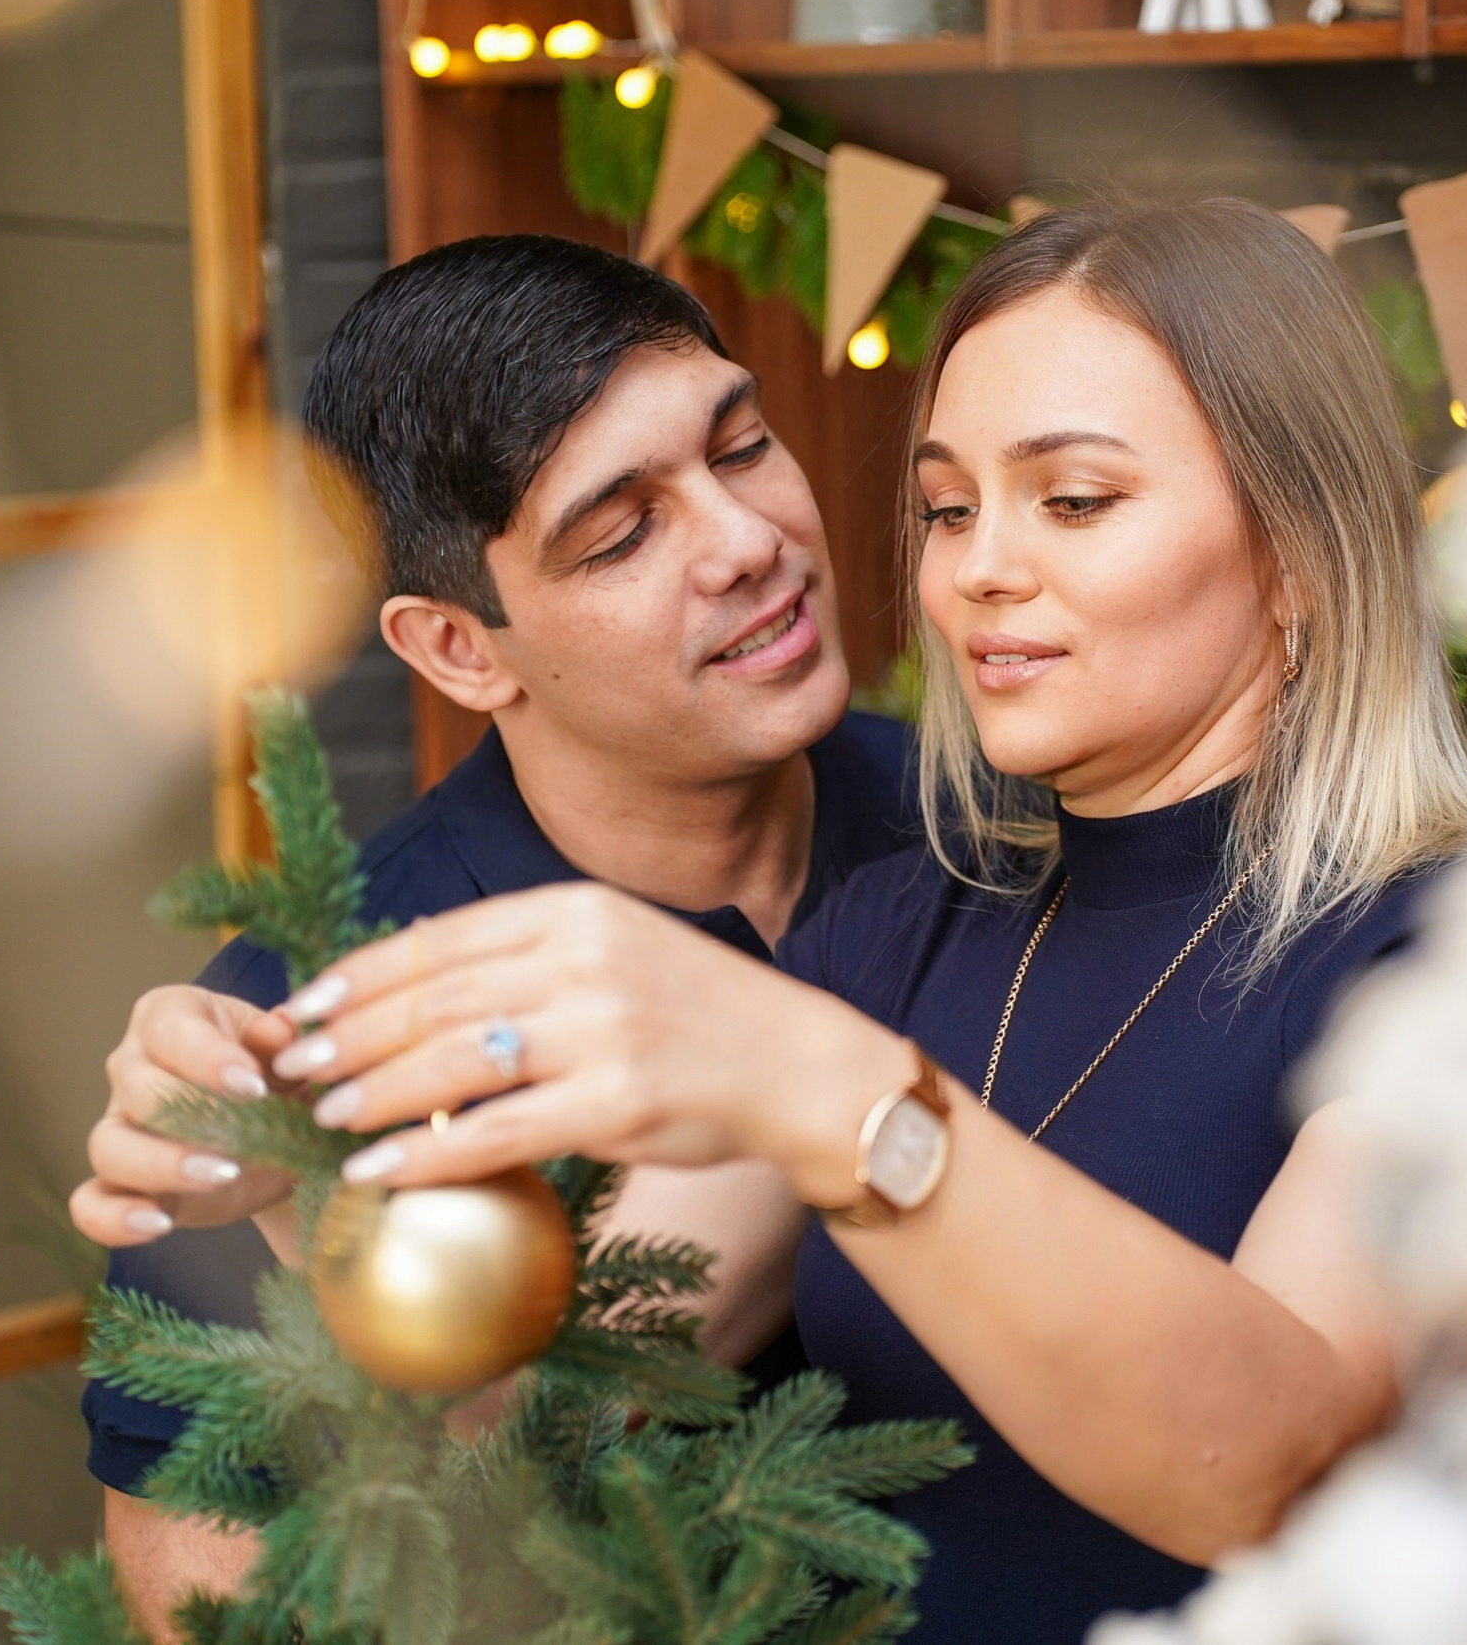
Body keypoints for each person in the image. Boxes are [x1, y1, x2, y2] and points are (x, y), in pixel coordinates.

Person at [245, 199, 1467, 1640]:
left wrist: (826, 1094)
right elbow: (551, 1424)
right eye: (950, 507)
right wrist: (288, 1183)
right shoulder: (893, 932)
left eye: (1073, 501)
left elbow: (1281, 1465)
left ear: (1298, 543)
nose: (977, 572)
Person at [65, 234, 917, 1633]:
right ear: (460, 648)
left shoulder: (991, 837)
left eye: (745, 445)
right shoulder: (299, 1034)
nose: (750, 541)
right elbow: (208, 1596)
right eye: (625, 532)